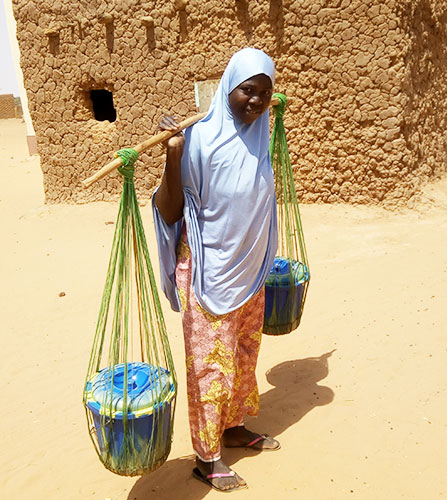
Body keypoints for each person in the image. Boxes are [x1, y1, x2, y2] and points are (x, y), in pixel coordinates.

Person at [152, 47, 280, 493]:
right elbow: (169, 211)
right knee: (210, 367)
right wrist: (173, 157)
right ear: (229, 87)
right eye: (248, 90)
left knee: (245, 356)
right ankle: (206, 458)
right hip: (210, 275)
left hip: (251, 272)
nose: (257, 101)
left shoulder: (262, 134)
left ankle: (233, 427)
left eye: (265, 92)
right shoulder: (201, 139)